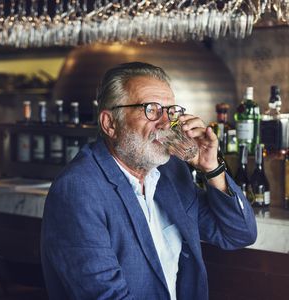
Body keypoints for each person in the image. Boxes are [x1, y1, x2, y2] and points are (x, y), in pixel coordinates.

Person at [41, 62, 257, 300]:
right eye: (151, 109)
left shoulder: (171, 173)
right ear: (110, 124)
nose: (166, 123)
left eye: (170, 110)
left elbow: (238, 234)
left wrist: (212, 168)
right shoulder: (79, 190)